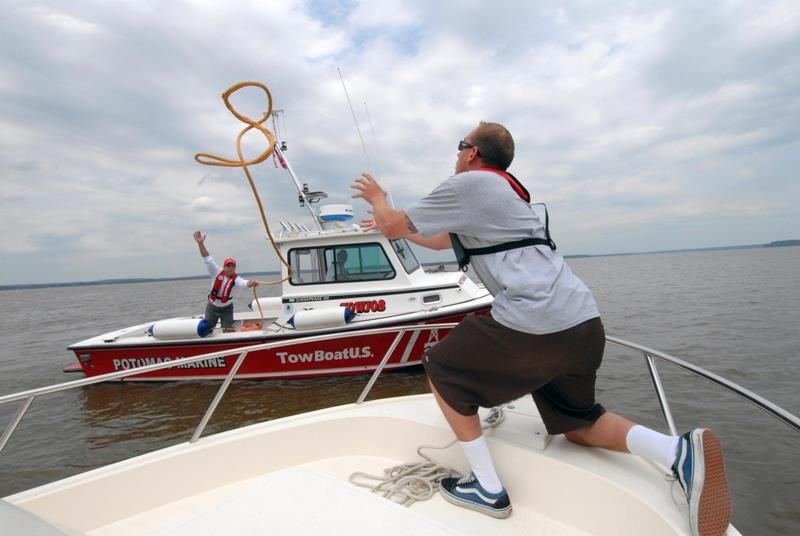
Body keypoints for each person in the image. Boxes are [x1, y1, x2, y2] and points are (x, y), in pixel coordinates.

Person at [352, 122, 731, 536]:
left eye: (459, 147)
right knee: (577, 423)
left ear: (473, 152)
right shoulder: (508, 194)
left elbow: (394, 225)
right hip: (582, 324)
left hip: (536, 323)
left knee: (440, 365)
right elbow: (439, 239)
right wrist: (396, 225)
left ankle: (487, 487)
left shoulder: (470, 183)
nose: (456, 155)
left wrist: (379, 200)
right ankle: (677, 451)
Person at [193, 231, 258, 333]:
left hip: (227, 309)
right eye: (228, 266)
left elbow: (245, 283)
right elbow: (207, 258)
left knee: (228, 331)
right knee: (207, 330)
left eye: (233, 266)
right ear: (224, 267)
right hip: (212, 307)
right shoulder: (216, 271)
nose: (230, 268)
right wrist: (200, 243)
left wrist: (252, 283)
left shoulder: (236, 279)